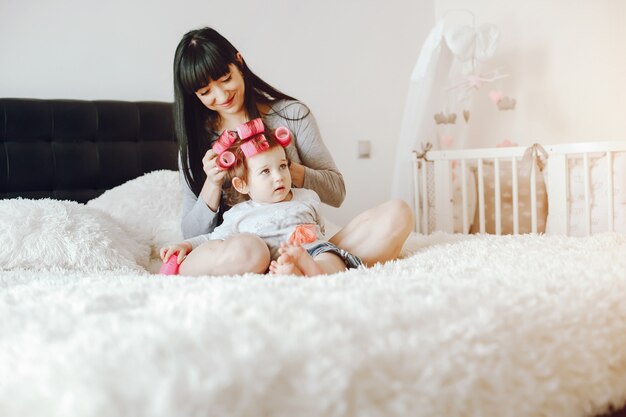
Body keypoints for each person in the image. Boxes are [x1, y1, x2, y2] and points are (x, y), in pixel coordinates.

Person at [173, 26, 413, 276]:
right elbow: (193, 235)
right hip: (247, 252)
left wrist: (283, 168)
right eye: (205, 92)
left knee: (398, 214)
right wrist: (212, 183)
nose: (222, 95)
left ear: (239, 62)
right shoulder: (195, 146)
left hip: (301, 246)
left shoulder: (291, 116)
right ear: (194, 96)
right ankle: (294, 271)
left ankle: (305, 267)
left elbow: (336, 193)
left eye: (225, 79)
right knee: (245, 252)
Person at [160, 132, 362, 276]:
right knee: (247, 251)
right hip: (269, 260)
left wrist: (318, 250)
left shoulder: (308, 196)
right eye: (265, 171)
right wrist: (186, 245)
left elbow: (320, 228)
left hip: (311, 251)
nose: (279, 177)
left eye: (283, 166)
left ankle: (312, 270)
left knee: (332, 257)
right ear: (242, 184)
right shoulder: (239, 213)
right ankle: (292, 271)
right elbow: (211, 238)